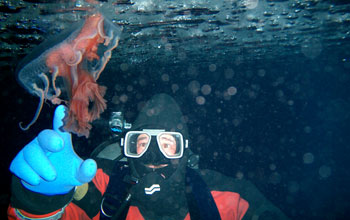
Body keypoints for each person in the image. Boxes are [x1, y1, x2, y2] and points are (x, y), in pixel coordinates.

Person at [8, 93, 289, 220]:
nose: (152, 156)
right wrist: (38, 201)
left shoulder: (228, 199)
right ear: (127, 148)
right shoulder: (103, 188)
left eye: (168, 144)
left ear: (185, 150)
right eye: (140, 143)